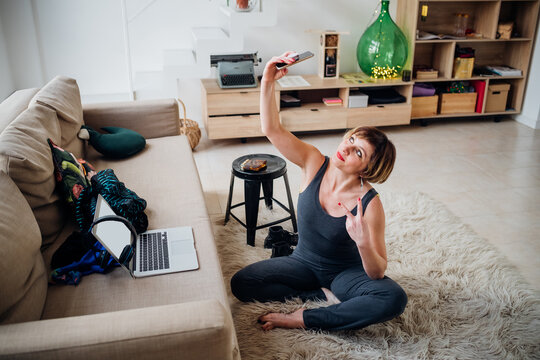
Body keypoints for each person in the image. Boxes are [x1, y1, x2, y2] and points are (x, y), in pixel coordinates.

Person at [230, 52, 407, 331]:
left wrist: (362, 242)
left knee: (393, 299)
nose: (345, 148)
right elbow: (272, 129)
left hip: (346, 274)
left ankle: (303, 319)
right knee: (242, 283)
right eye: (351, 139)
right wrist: (267, 80)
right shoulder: (313, 162)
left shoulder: (371, 204)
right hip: (302, 263)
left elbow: (377, 272)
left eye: (357, 151)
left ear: (367, 169)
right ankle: (319, 296)